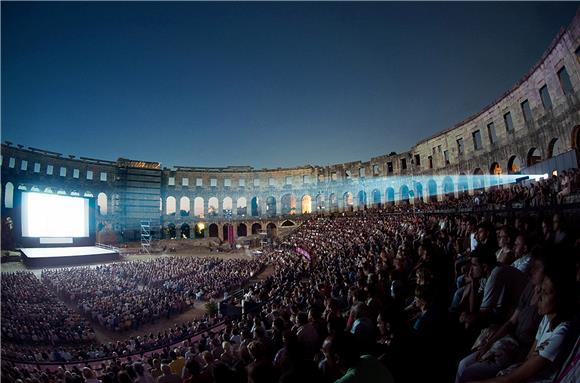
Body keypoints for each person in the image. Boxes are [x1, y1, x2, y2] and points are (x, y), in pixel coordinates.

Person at [470, 260, 577, 383]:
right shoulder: (547, 319)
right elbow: (528, 357)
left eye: (545, 293)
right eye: (540, 290)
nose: (539, 296)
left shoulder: (561, 333)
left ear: (561, 299)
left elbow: (512, 379)